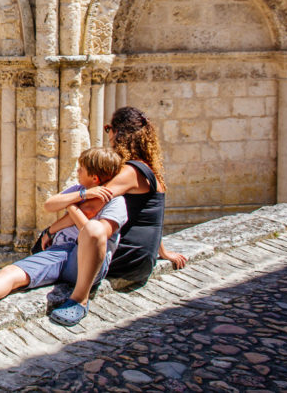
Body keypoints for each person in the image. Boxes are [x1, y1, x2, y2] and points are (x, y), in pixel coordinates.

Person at [0, 147, 128, 327]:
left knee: (93, 229)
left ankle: (80, 300)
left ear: (95, 177)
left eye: (81, 168)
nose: (77, 171)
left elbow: (95, 237)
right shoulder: (79, 190)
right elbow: (50, 204)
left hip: (87, 263)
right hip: (60, 252)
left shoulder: (116, 203)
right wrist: (80, 197)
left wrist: (72, 207)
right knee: (11, 272)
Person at [49, 106, 187, 289]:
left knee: (55, 254)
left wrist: (50, 231)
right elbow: (149, 219)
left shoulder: (129, 172)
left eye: (109, 129)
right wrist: (162, 251)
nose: (108, 135)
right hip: (143, 258)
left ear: (119, 133)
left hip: (129, 259)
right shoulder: (148, 169)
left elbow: (90, 209)